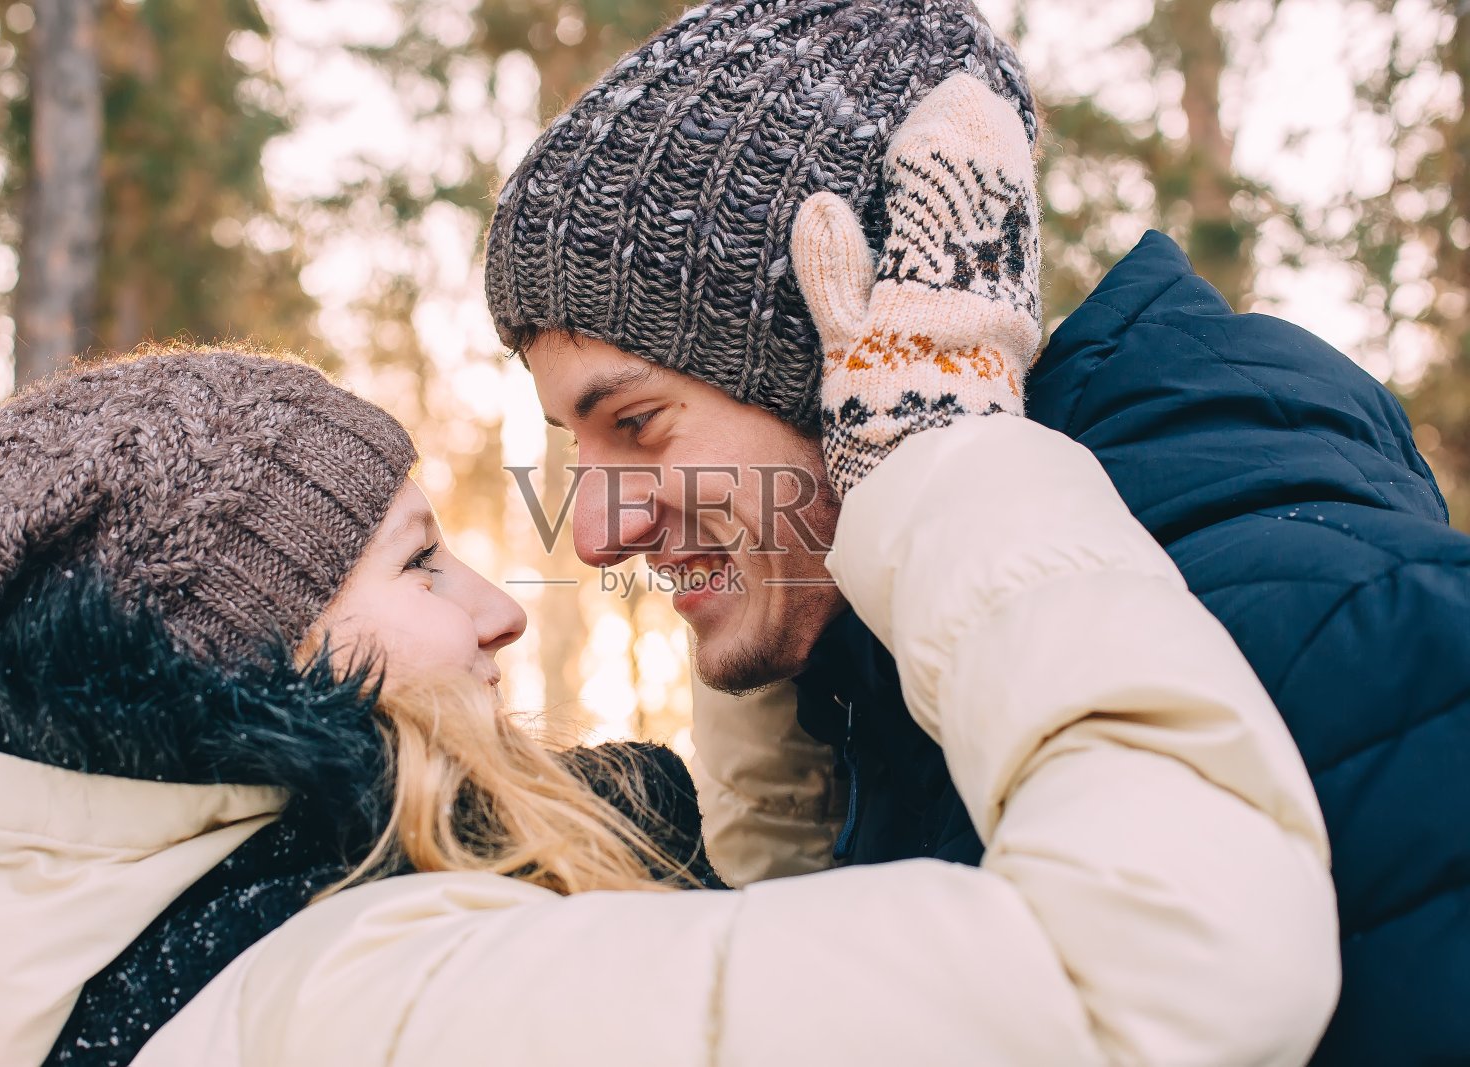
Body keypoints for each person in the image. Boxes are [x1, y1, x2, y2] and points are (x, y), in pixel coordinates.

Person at [0, 80, 1339, 1065]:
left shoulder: (79, 961)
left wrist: (769, 614)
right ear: (238, 668)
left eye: (643, 423)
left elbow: (737, 960)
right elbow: (1162, 958)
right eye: (421, 561)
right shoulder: (373, 1007)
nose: (510, 600)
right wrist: (945, 458)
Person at [484, 0, 1470, 1060]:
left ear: (847, 352)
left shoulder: (1355, 635)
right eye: (576, 447)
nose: (591, 532)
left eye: (635, 422)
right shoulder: (893, 690)